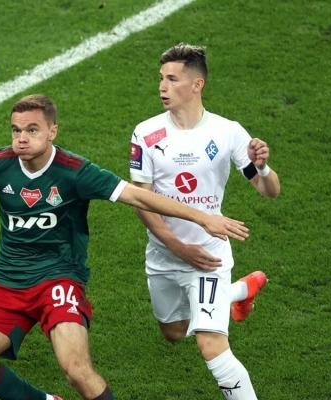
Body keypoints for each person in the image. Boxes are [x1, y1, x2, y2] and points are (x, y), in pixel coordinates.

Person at [0, 94, 249, 400]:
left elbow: (137, 196)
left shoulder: (75, 171)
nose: (21, 138)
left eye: (32, 130)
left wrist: (203, 218)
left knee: (76, 370)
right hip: (8, 282)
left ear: (52, 131)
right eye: (16, 130)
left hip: (60, 280)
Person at [129, 44, 280, 399]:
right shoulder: (146, 133)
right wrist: (178, 247)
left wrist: (262, 168)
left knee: (211, 344)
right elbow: (141, 201)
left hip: (209, 257)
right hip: (165, 254)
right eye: (161, 78)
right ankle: (240, 291)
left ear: (197, 85)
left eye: (172, 79)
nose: (162, 87)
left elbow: (269, 190)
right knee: (174, 332)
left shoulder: (227, 132)